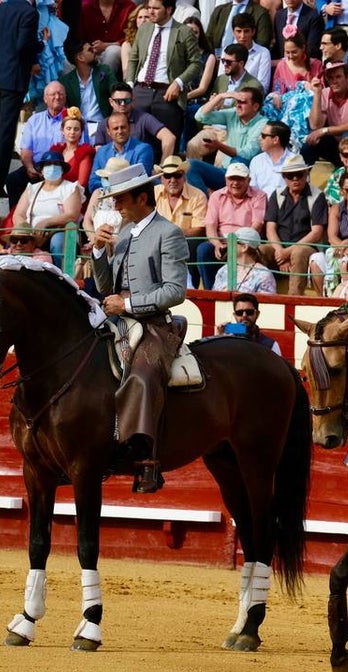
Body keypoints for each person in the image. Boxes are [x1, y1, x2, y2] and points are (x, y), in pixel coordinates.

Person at [91, 163, 187, 494]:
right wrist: (98, 251)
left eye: (121, 200)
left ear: (142, 198)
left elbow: (175, 291)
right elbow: (104, 285)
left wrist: (128, 305)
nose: (116, 206)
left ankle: (145, 458)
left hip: (154, 325)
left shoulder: (168, 233)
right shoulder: (122, 235)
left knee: (143, 375)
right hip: (115, 318)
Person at [0, 0, 40, 199]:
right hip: (13, 78)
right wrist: (40, 45)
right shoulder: (29, 13)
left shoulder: (1, 8)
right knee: (5, 131)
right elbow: (24, 45)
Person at [127, 0, 204, 145]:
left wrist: (178, 82)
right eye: (149, 7)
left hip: (167, 94)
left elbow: (196, 63)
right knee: (136, 141)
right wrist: (130, 86)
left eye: (156, 8)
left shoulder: (183, 31)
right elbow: (134, 59)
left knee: (166, 145)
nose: (150, 12)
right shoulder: (144, 29)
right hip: (140, 91)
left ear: (168, 9)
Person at [263, 153, 328, 295]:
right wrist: (281, 252)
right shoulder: (277, 195)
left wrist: (288, 252)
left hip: (306, 248)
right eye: (290, 175)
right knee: (259, 250)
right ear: (284, 177)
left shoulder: (317, 196)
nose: (295, 179)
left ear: (306, 174)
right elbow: (270, 228)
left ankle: (294, 298)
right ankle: (258, 295)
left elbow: (316, 233)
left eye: (299, 174)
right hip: (279, 248)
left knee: (299, 252)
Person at [197, 161, 267, 287]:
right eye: (232, 178)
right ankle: (211, 292)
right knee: (204, 249)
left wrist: (236, 242)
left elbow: (257, 225)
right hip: (221, 242)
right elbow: (211, 226)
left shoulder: (259, 196)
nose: (235, 183)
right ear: (225, 179)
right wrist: (216, 243)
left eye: (240, 178)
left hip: (245, 242)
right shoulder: (216, 196)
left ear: (248, 180)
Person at [186, 88, 268, 193]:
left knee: (238, 161)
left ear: (255, 106)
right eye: (237, 101)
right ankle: (202, 205)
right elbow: (200, 117)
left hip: (246, 175)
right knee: (190, 166)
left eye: (242, 102)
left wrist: (219, 146)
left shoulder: (263, 123)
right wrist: (221, 96)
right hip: (226, 172)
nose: (238, 105)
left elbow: (248, 153)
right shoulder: (233, 114)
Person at [12, 151, 85, 268]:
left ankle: (60, 276)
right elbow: (18, 214)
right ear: (41, 170)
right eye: (48, 164)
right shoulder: (32, 189)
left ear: (62, 169)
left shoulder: (70, 188)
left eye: (56, 164)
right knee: (16, 241)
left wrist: (46, 223)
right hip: (31, 233)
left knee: (58, 242)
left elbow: (72, 215)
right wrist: (24, 229)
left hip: (59, 232)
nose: (52, 167)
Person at [4, 82, 70, 208]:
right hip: (37, 169)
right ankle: (17, 221)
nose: (57, 97)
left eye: (61, 94)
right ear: (45, 98)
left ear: (65, 97)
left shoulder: (72, 119)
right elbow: (26, 150)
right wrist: (30, 168)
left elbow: (78, 149)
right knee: (13, 180)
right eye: (53, 94)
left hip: (61, 168)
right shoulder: (34, 120)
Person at [93, 84, 178, 164]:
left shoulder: (144, 118)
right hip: (112, 171)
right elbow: (99, 152)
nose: (123, 104)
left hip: (142, 170)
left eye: (127, 100)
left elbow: (169, 138)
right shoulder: (103, 124)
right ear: (111, 102)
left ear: (133, 101)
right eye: (118, 101)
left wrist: (163, 167)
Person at [151, 154, 207, 264]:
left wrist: (171, 235)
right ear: (162, 178)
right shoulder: (153, 193)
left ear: (184, 177)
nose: (172, 180)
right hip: (156, 241)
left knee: (192, 244)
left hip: (183, 243)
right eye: (167, 176)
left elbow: (199, 229)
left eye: (177, 175)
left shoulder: (198, 196)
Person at [90, 113, 156, 194]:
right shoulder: (101, 152)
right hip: (107, 195)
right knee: (96, 193)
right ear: (108, 131)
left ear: (130, 128)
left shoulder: (144, 149)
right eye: (115, 128)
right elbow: (92, 182)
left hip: (133, 195)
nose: (120, 131)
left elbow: (141, 178)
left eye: (123, 127)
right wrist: (110, 189)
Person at [60, 41, 117, 133]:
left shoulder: (104, 71)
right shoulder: (66, 81)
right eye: (90, 50)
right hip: (79, 129)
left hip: (103, 127)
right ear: (80, 57)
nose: (94, 51)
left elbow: (116, 92)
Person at [211, 226, 276, 293]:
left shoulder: (263, 275)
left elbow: (266, 302)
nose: (228, 245)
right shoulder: (223, 271)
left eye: (233, 242)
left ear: (244, 247)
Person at [79, 0, 135, 75]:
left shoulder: (129, 7)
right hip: (91, 50)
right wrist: (90, 49)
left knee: (113, 51)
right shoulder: (85, 7)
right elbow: (79, 35)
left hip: (117, 50)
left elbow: (133, 34)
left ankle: (103, 84)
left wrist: (107, 45)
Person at [52, 109, 97, 193]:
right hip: (54, 193)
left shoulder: (84, 153)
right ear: (62, 131)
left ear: (81, 132)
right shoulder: (56, 151)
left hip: (74, 196)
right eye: (68, 128)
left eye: (76, 129)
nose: (72, 132)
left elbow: (82, 184)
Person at [206, 0, 272, 53]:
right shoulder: (219, 10)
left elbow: (262, 44)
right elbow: (208, 39)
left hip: (246, 63)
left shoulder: (261, 13)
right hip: (216, 62)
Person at [248, 120, 292, 196]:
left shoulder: (294, 160)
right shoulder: (256, 161)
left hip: (286, 206)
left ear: (275, 140)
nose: (259, 138)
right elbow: (252, 191)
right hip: (261, 205)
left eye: (263, 136)